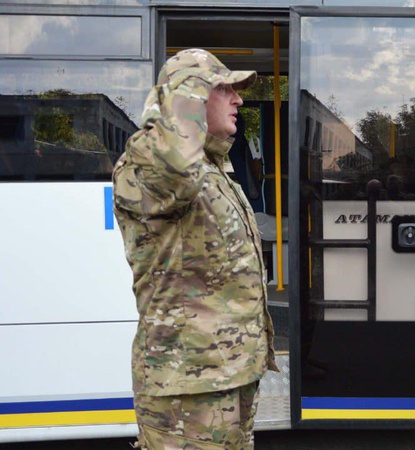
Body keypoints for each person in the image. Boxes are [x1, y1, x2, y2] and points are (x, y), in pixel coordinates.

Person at [112, 48, 279, 450]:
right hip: (186, 393)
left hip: (229, 378)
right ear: (193, 97)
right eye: (225, 89)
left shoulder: (217, 170)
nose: (239, 100)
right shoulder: (149, 165)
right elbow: (175, 167)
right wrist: (185, 91)